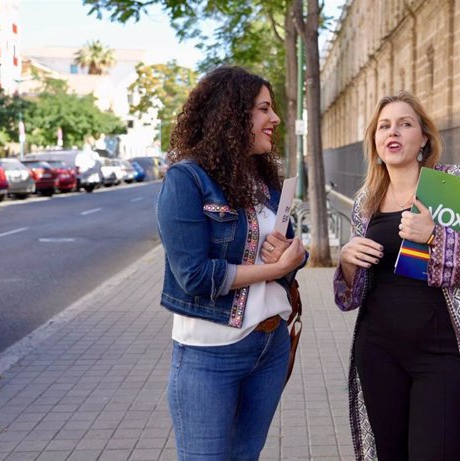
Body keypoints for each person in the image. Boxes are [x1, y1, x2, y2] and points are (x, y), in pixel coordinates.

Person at [333, 91, 460, 461]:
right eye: (384, 126)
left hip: (446, 352)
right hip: (379, 353)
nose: (392, 131)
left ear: (424, 139)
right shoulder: (366, 200)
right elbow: (351, 295)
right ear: (376, 141)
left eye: (404, 123)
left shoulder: (450, 183)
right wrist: (347, 261)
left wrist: (434, 235)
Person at [156, 66, 307, 461]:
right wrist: (273, 269)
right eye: (263, 109)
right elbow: (194, 276)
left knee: (246, 456)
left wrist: (295, 256)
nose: (274, 119)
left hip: (270, 345)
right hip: (210, 354)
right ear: (232, 113)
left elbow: (282, 253)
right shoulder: (186, 179)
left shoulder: (264, 179)